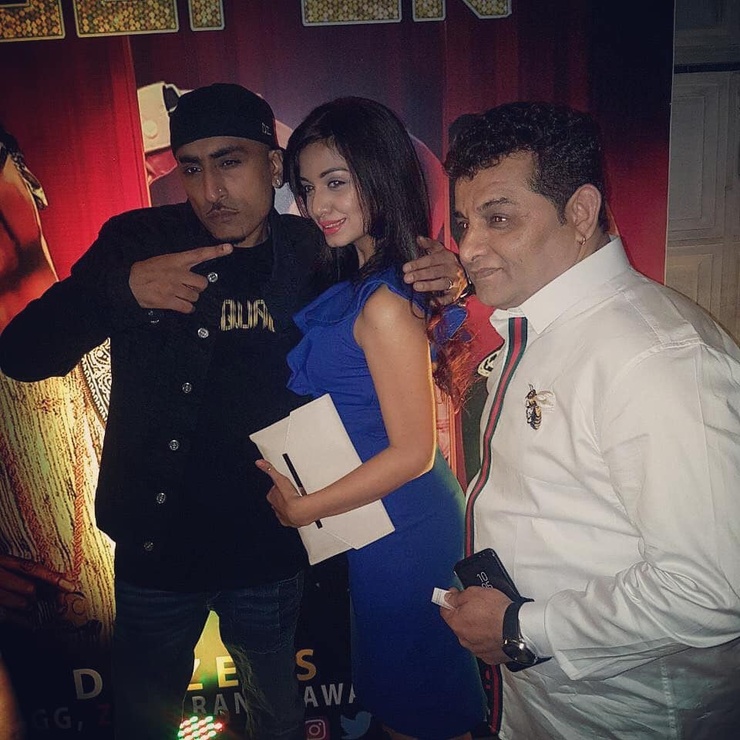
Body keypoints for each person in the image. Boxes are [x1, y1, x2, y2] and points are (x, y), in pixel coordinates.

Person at [0, 83, 465, 740]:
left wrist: (448, 274)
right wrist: (121, 292)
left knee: (278, 712)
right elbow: (22, 355)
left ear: (273, 167)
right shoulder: (137, 241)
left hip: (267, 547)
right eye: (191, 167)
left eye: (230, 162)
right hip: (157, 548)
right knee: (143, 720)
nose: (211, 189)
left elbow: (392, 285)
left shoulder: (314, 249)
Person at [439, 101, 740, 739]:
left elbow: (713, 589)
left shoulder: (656, 357)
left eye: (498, 218)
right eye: (463, 222)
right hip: (549, 704)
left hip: (630, 717)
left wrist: (522, 627)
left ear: (579, 212)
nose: (468, 247)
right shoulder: (543, 324)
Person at [256, 97, 486, 740]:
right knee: (402, 695)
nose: (318, 204)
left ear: (380, 174)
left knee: (422, 706)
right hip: (373, 518)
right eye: (307, 187)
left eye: (337, 182)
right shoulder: (362, 280)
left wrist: (306, 508)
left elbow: (413, 452)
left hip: (404, 522)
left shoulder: (384, 299)